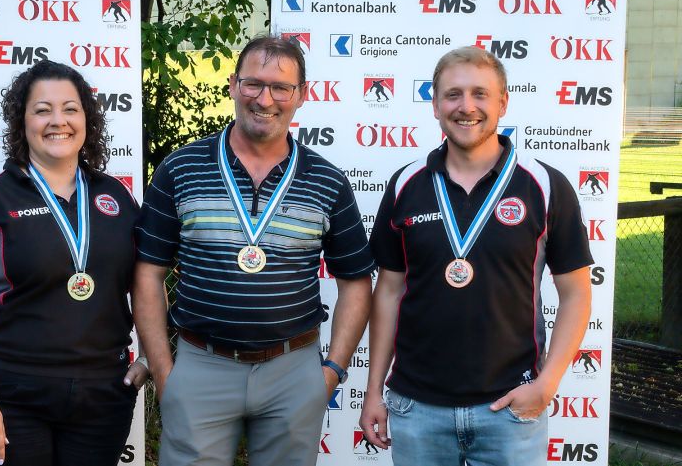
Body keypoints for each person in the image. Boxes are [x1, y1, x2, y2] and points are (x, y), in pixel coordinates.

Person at [134, 35, 375, 466]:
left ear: (302, 95)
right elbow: (148, 273)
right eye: (253, 84)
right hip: (201, 366)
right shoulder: (181, 168)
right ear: (232, 85)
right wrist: (166, 372)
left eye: (281, 87)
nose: (265, 99)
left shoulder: (328, 181)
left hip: (293, 370)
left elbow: (356, 281)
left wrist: (331, 373)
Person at [359, 46, 593, 466]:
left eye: (480, 94)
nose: (466, 107)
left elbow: (576, 293)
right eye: (453, 94)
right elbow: (389, 292)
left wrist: (548, 383)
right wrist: (374, 388)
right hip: (417, 409)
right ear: (434, 104)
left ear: (503, 101)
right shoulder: (405, 184)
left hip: (510, 409)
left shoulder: (545, 185)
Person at [0, 60, 147, 466]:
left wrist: (151, 355)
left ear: (87, 118)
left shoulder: (116, 197)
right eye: (42, 110)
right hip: (8, 396)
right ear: (22, 120)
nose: (57, 121)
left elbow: (147, 282)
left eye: (70, 108)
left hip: (100, 400)